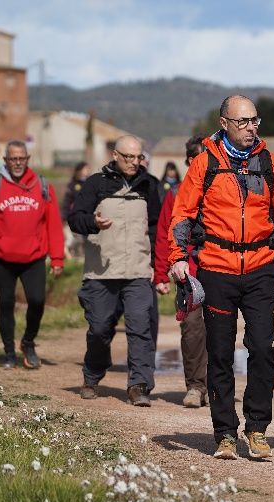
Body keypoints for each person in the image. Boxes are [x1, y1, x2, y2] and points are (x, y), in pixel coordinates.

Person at [168, 95, 274, 459]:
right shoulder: (204, 163)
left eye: (255, 120)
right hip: (216, 270)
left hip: (260, 269)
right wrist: (178, 257)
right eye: (242, 121)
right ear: (224, 122)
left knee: (261, 349)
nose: (250, 127)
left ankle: (256, 429)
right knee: (221, 355)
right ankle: (225, 433)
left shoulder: (270, 164)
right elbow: (182, 215)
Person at [68, 135, 161, 406]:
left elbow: (157, 229)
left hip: (138, 270)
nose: (134, 162)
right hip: (101, 272)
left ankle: (139, 385)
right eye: (128, 157)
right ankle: (92, 374)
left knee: (141, 327)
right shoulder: (95, 184)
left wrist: (157, 264)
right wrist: (93, 222)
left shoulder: (150, 186)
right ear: (115, 156)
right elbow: (75, 219)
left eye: (138, 157)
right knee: (99, 328)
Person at [0, 140, 64, 369]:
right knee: (5, 303)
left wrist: (57, 257)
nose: (17, 163)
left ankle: (28, 342)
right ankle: (8, 352)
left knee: (37, 301)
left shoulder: (42, 185)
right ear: (5, 160)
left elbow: (53, 224)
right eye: (13, 158)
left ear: (28, 159)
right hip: (2, 258)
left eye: (21, 158)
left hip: (34, 258)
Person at [154, 136, 208, 408]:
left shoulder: (223, 189)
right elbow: (165, 234)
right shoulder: (175, 194)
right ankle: (196, 386)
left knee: (220, 331)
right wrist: (162, 274)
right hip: (189, 273)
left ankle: (216, 386)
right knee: (192, 329)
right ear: (190, 160)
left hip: (222, 269)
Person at [62, 162, 90, 259]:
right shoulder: (73, 185)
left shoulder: (90, 183)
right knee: (77, 238)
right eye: (85, 169)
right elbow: (67, 202)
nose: (87, 171)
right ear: (79, 170)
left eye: (88, 169)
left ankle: (82, 256)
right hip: (75, 216)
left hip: (87, 217)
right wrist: (64, 217)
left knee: (87, 238)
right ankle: (74, 255)